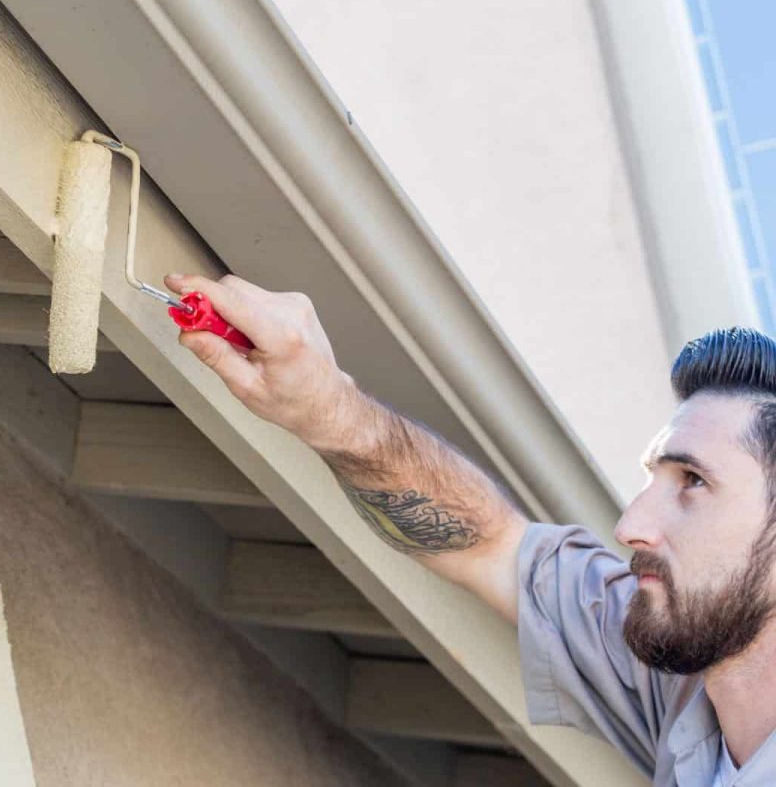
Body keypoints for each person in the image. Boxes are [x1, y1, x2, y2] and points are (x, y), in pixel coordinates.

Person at [163, 272, 776, 786]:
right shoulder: (678, 692)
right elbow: (492, 541)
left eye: (692, 482)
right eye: (651, 480)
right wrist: (328, 409)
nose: (631, 526)